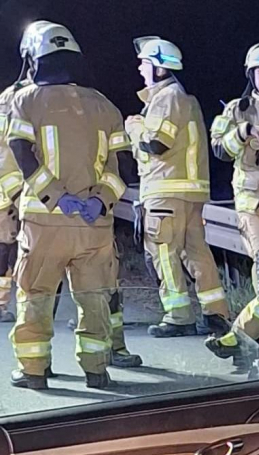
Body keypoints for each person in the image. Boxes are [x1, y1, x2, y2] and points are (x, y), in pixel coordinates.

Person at [4, 23, 127, 389]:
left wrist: (56, 196)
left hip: (45, 223)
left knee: (36, 296)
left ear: (34, 59)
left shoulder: (24, 100)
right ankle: (96, 369)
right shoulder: (105, 105)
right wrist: (100, 201)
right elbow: (121, 167)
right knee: (94, 299)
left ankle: (34, 371)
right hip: (94, 226)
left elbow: (21, 152)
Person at [126, 36, 232, 339]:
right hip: (189, 193)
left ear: (159, 68)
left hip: (166, 191)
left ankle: (178, 316)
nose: (140, 68)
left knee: (164, 253)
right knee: (196, 252)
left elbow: (157, 143)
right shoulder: (184, 98)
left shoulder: (166, 97)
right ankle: (216, 315)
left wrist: (134, 127)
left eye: (144, 63)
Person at [206, 43, 259, 371]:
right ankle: (257, 341)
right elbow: (218, 149)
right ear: (251, 76)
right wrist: (242, 133)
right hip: (251, 203)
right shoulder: (235, 110)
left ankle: (251, 339)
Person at [0, 22, 47, 328]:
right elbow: (5, 150)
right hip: (13, 191)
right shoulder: (12, 98)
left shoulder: (48, 96)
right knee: (6, 249)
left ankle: (32, 310)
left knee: (33, 251)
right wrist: (15, 191)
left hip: (36, 189)